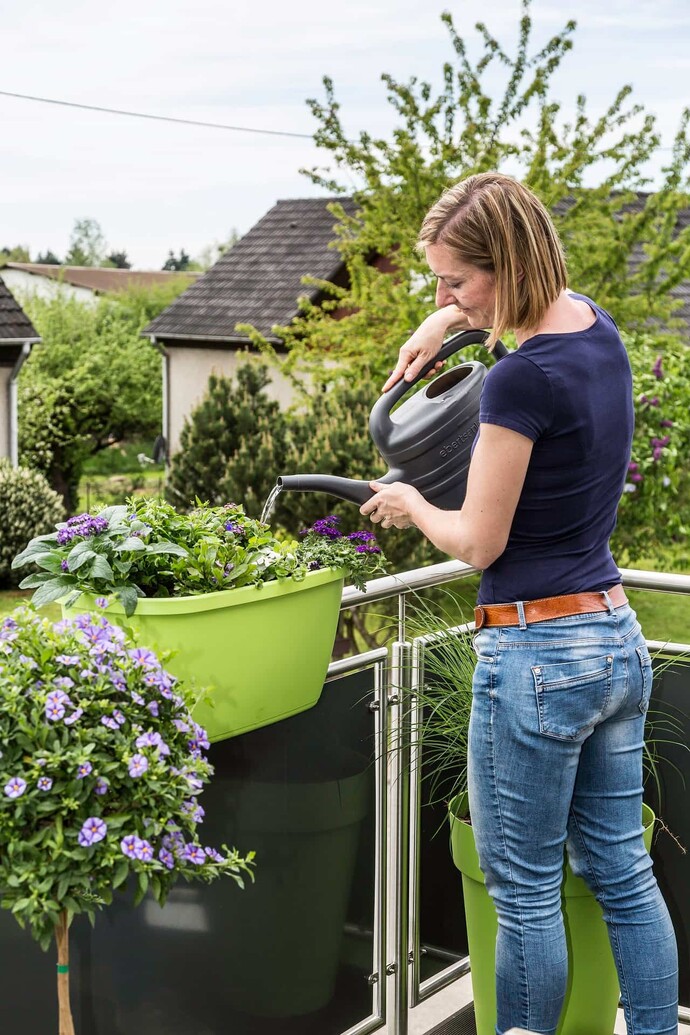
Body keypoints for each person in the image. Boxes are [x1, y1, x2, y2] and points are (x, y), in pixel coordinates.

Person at [360, 172, 679, 1035]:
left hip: (537, 656)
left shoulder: (519, 380)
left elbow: (477, 541)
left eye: (453, 281)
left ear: (503, 266)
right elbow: (528, 299)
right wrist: (443, 320)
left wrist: (410, 504)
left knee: (526, 891)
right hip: (614, 639)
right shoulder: (595, 331)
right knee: (620, 869)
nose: (444, 296)